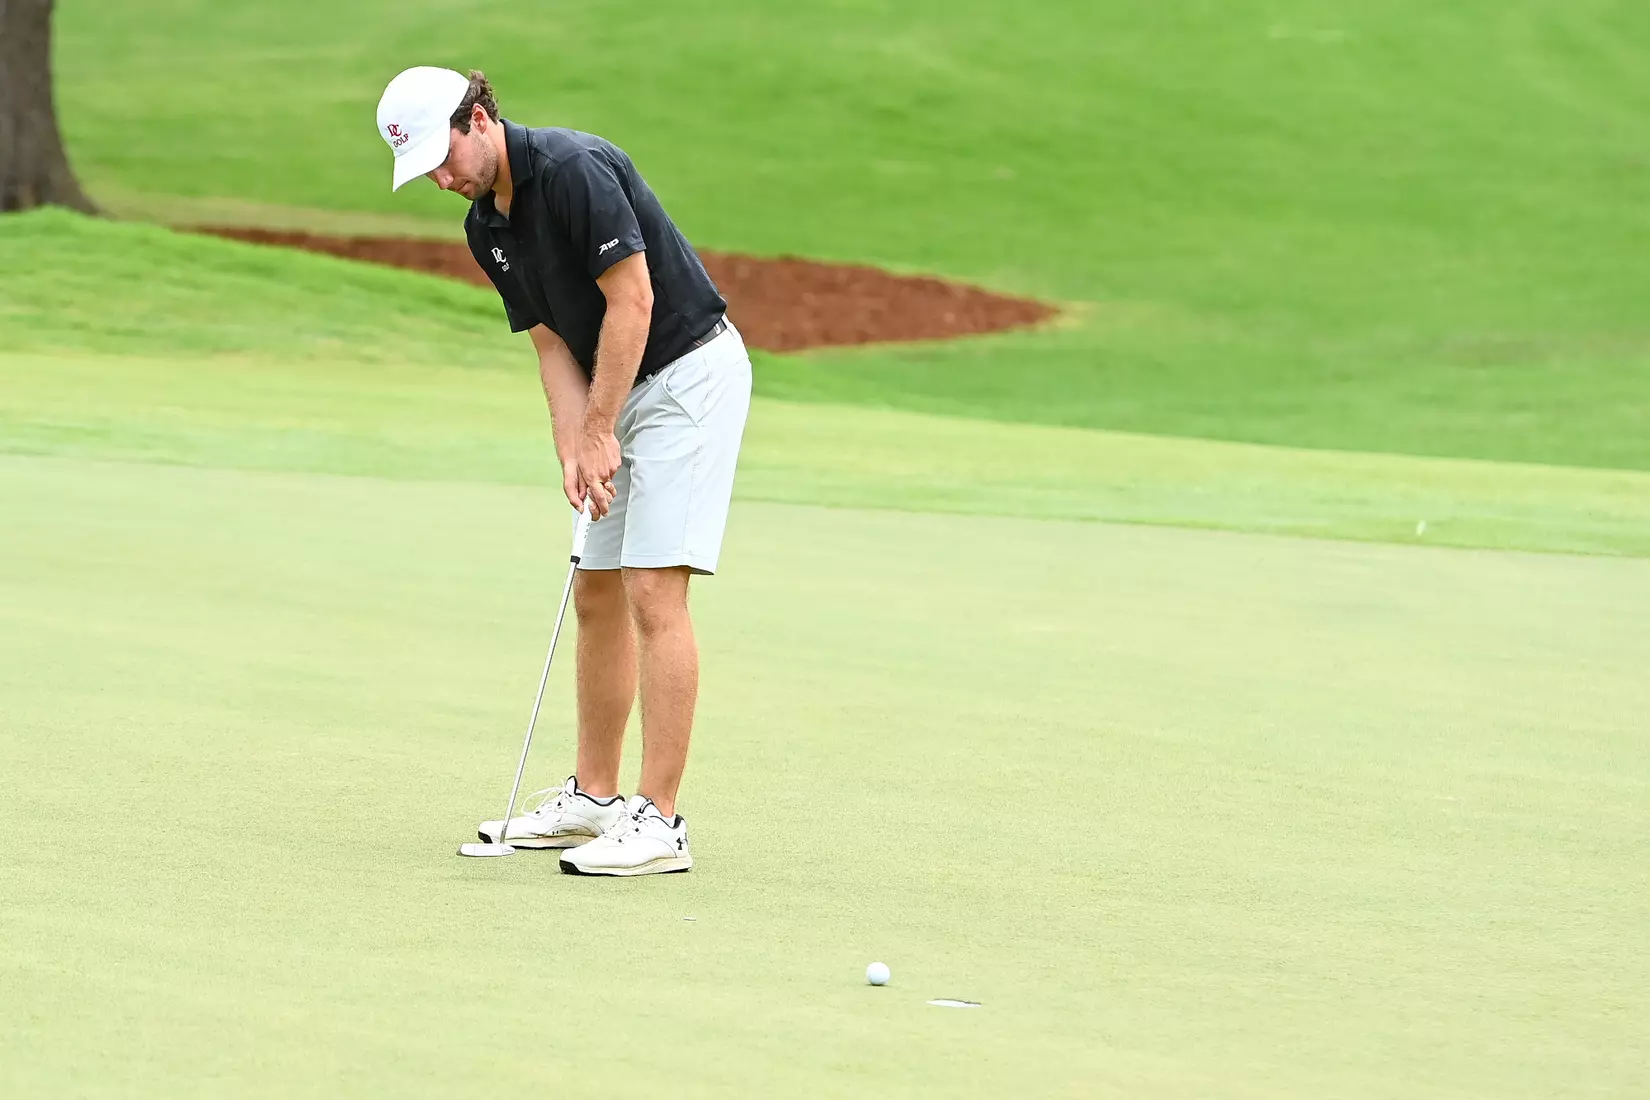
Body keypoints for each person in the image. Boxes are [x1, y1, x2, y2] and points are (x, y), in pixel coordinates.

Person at [376, 66, 752, 876]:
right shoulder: (486, 227)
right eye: (429, 174)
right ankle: (595, 796)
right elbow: (552, 343)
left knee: (655, 586)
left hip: (688, 374)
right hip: (613, 392)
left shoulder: (574, 170)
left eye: (446, 157)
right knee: (597, 589)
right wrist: (573, 445)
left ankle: (660, 821)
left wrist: (600, 427)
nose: (445, 180)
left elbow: (636, 301)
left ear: (477, 118)